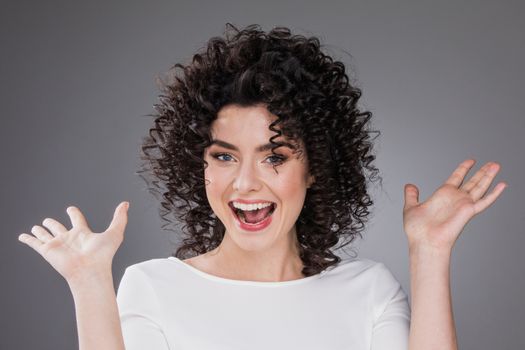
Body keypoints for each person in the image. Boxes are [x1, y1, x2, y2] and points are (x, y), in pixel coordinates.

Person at [17, 23, 507, 350]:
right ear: (200, 167)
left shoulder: (369, 290)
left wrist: (430, 251)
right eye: (224, 156)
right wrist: (88, 285)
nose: (245, 182)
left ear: (315, 168)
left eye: (274, 157)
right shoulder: (154, 287)